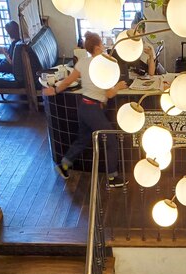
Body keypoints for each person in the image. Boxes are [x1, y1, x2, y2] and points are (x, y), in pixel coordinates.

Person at [42, 31, 128, 185]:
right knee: (111, 141)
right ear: (97, 47)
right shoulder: (105, 66)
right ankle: (112, 177)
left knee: (83, 139)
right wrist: (119, 86)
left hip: (84, 107)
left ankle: (64, 165)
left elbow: (67, 81)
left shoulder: (82, 62)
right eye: (101, 44)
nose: (103, 46)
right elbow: (109, 94)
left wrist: (54, 91)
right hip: (94, 110)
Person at [129, 12, 156, 76]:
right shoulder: (126, 46)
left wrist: (151, 56)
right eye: (133, 31)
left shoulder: (148, 47)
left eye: (138, 31)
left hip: (140, 81)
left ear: (144, 32)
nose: (135, 34)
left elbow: (151, 73)